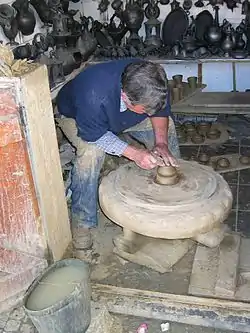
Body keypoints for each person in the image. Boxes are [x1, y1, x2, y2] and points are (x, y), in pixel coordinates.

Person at [56, 59, 180, 252]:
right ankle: (83, 221)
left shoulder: (153, 83)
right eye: (146, 110)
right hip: (78, 117)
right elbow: (94, 135)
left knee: (167, 129)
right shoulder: (93, 93)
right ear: (125, 96)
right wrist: (135, 154)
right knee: (91, 153)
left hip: (121, 115)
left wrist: (161, 144)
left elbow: (159, 111)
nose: (150, 112)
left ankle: (175, 197)